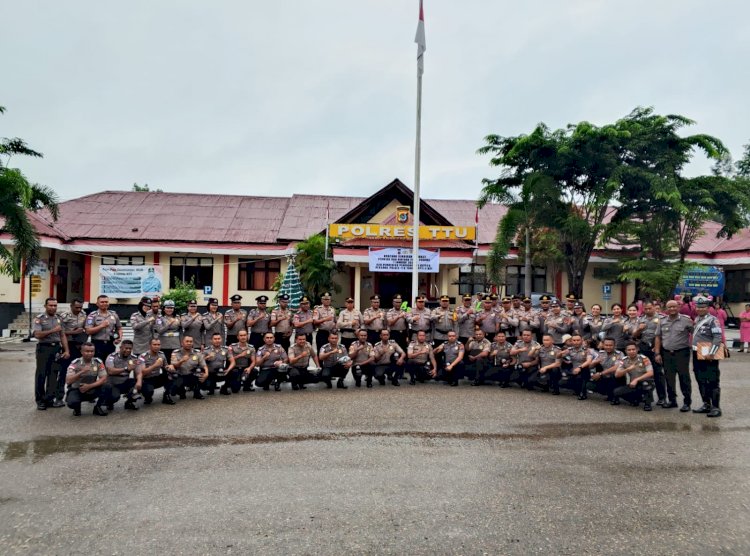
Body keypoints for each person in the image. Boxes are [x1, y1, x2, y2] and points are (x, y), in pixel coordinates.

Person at [33, 297, 70, 410]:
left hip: (56, 349)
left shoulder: (59, 319)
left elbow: (62, 335)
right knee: (41, 375)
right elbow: (37, 334)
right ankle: (40, 400)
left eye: (55, 305)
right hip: (44, 348)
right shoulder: (39, 319)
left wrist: (66, 350)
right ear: (45, 306)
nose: (53, 307)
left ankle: (49, 399)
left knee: (53, 374)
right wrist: (53, 330)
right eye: (50, 305)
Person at [658, 299, 694, 411]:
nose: (672, 309)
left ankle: (687, 402)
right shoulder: (662, 321)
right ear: (666, 309)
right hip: (666, 353)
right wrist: (657, 353)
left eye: (674, 307)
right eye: (670, 307)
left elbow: (696, 334)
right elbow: (658, 337)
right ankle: (672, 400)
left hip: (682, 353)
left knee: (684, 378)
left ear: (678, 307)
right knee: (669, 378)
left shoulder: (686, 320)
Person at [691, 296, 724, 417]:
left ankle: (716, 407)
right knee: (700, 379)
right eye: (698, 307)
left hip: (709, 352)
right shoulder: (697, 319)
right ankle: (706, 404)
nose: (700, 309)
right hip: (696, 351)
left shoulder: (713, 320)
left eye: (703, 307)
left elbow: (717, 337)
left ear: (708, 308)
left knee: (712, 380)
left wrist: (712, 352)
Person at [65, 342, 109, 416]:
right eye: (87, 351)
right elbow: (68, 381)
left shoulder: (98, 362)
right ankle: (77, 408)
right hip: (78, 389)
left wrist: (89, 386)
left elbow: (104, 378)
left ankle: (98, 407)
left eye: (92, 351)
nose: (89, 353)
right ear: (81, 352)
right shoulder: (75, 363)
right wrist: (81, 372)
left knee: (108, 386)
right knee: (72, 403)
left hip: (92, 388)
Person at [57, 298, 87, 405]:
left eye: (80, 307)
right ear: (71, 306)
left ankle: (79, 393)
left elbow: (85, 328)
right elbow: (60, 332)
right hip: (68, 346)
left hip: (80, 346)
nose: (79, 309)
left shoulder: (84, 314)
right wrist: (73, 333)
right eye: (76, 307)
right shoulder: (64, 316)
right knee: (64, 372)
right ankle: (59, 396)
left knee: (81, 370)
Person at [637, 301, 666, 406]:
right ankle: (644, 395)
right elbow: (635, 335)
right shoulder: (641, 319)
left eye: (650, 308)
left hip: (656, 347)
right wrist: (639, 329)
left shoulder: (662, 318)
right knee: (642, 372)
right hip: (644, 346)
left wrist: (657, 347)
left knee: (658, 373)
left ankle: (662, 397)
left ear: (654, 307)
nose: (648, 310)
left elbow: (664, 334)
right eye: (646, 309)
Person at [612, 342, 654, 411]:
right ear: (625, 351)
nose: (631, 351)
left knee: (646, 385)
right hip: (634, 384)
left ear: (637, 349)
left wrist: (637, 379)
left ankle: (647, 404)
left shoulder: (644, 358)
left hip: (646, 381)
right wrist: (627, 369)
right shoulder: (624, 360)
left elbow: (650, 373)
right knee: (616, 392)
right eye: (629, 350)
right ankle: (636, 399)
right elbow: (617, 374)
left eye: (633, 349)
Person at [169, 336, 209, 401]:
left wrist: (206, 374)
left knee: (204, 378)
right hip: (180, 375)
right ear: (182, 343)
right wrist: (181, 361)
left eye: (191, 342)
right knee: (173, 392)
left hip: (192, 375)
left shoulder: (197, 352)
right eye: (187, 341)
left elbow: (204, 365)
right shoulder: (176, 352)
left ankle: (197, 392)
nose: (189, 343)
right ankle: (181, 391)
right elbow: (174, 366)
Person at [104, 339, 140, 411]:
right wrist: (126, 368)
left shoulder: (133, 358)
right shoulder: (112, 357)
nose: (128, 350)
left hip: (124, 381)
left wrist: (139, 382)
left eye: (130, 349)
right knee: (115, 397)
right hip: (113, 382)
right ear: (120, 348)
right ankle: (108, 402)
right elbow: (110, 371)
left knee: (139, 383)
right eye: (126, 348)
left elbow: (138, 372)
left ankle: (129, 403)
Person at [84, 294, 122, 361]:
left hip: (110, 344)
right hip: (97, 344)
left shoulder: (114, 314)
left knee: (110, 364)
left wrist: (120, 337)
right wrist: (101, 326)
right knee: (98, 365)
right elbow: (88, 331)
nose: (104, 303)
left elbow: (119, 328)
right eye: (102, 302)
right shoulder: (92, 315)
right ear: (97, 304)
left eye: (106, 302)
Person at [557, 333, 593, 399]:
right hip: (573, 371)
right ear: (572, 341)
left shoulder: (587, 350)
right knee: (561, 383)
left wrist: (580, 367)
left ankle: (583, 393)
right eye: (574, 340)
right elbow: (558, 356)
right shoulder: (570, 350)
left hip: (584, 370)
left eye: (578, 340)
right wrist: (560, 354)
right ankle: (576, 389)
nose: (576, 342)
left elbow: (589, 361)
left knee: (583, 372)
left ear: (581, 340)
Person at [590, 337, 625, 403]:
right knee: (591, 385)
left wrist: (600, 374)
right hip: (604, 378)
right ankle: (608, 393)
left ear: (615, 345)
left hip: (616, 378)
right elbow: (590, 367)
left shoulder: (620, 354)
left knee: (615, 376)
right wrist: (594, 363)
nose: (608, 347)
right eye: (606, 345)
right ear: (603, 345)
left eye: (610, 345)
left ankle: (615, 396)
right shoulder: (600, 353)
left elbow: (616, 367)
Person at [137, 337, 170, 405]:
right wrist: (155, 365)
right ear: (149, 345)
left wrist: (170, 367)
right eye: (154, 344)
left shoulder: (161, 354)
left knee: (172, 376)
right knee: (148, 393)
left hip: (156, 377)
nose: (157, 346)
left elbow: (166, 366)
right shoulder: (143, 356)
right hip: (147, 379)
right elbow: (142, 372)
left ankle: (166, 395)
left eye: (158, 344)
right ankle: (147, 397)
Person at [431, 295, 456, 366]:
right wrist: (438, 316)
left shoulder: (453, 311)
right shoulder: (436, 310)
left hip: (449, 336)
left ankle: (447, 371)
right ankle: (437, 371)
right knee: (438, 354)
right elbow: (431, 318)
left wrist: (456, 335)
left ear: (449, 302)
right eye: (443, 301)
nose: (445, 303)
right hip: (438, 335)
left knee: (448, 354)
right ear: (440, 302)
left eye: (446, 301)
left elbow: (456, 323)